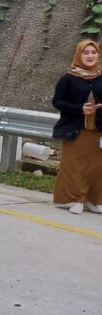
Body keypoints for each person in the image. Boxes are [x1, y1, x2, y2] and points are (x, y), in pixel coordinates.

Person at [52, 40, 102, 215]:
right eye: (85, 52)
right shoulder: (68, 79)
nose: (90, 56)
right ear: (79, 55)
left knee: (97, 167)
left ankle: (93, 200)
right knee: (75, 166)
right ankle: (76, 199)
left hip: (98, 132)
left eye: (93, 52)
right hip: (76, 131)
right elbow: (57, 102)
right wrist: (80, 109)